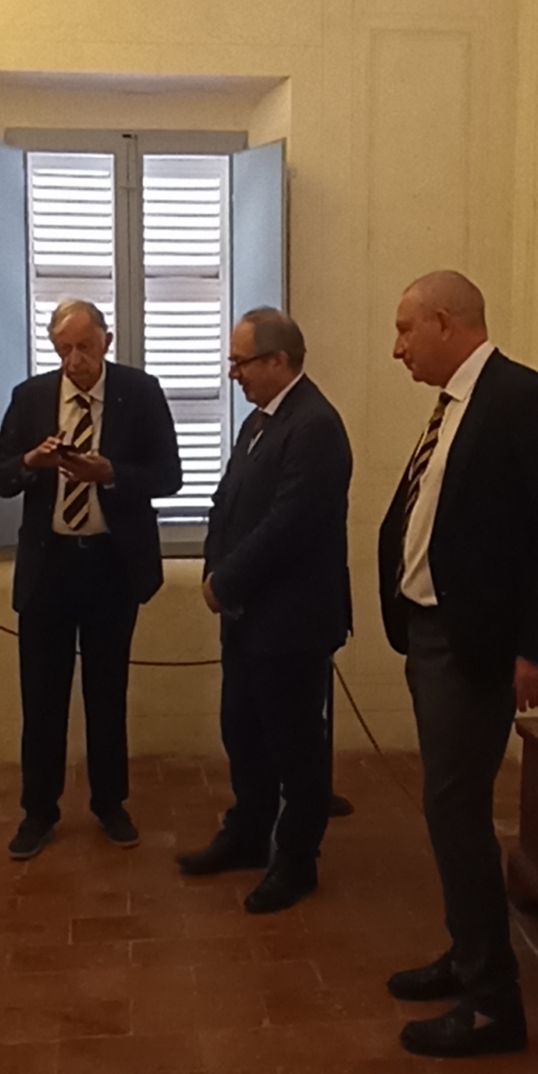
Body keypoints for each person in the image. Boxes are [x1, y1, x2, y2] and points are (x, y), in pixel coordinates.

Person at [378, 270, 538, 1057]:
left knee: (456, 812)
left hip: (476, 646)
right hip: (433, 635)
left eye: (405, 329)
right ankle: (468, 952)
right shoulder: (455, 405)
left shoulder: (519, 398)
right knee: (449, 810)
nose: (397, 348)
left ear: (444, 322)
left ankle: (494, 1004)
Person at [0, 299, 181, 857]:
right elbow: (0, 476)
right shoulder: (30, 397)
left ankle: (110, 803)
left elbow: (170, 476)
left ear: (106, 341)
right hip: (47, 566)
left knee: (106, 692)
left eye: (84, 347)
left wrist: (111, 473)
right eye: (63, 349)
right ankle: (38, 812)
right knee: (41, 698)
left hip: (110, 565)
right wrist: (32, 462)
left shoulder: (140, 393)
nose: (74, 360)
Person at [178, 307, 352, 913]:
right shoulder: (260, 421)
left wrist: (225, 581)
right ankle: (248, 835)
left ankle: (297, 861)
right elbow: (225, 502)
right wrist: (214, 569)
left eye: (241, 362)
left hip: (291, 622)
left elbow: (290, 525)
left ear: (279, 361)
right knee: (243, 732)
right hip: (247, 616)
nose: (233, 374)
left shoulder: (314, 426)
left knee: (295, 747)